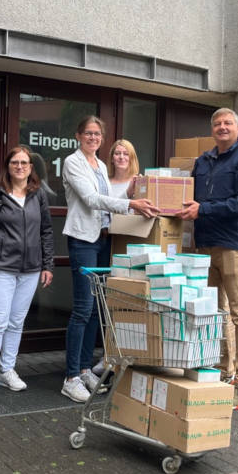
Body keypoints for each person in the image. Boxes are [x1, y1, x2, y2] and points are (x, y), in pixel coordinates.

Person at [61, 116, 160, 402]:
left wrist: (132, 198)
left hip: (103, 238)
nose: (93, 138)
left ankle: (82, 369)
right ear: (79, 136)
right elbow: (91, 200)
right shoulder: (73, 162)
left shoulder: (102, 166)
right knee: (82, 309)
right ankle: (70, 377)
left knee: (95, 309)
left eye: (97, 134)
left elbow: (107, 201)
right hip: (83, 239)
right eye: (88, 133)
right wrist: (131, 203)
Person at [179, 107, 238, 410]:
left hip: (233, 246)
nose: (222, 127)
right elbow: (186, 196)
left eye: (228, 123)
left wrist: (203, 209)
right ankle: (223, 372)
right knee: (215, 314)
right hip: (205, 245)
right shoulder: (203, 162)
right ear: (212, 129)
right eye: (217, 123)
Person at [0, 146, 54, 399]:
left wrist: (47, 264)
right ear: (8, 167)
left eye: (24, 162)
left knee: (16, 323)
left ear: (31, 167)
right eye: (15, 162)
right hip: (2, 267)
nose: (20, 166)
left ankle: (7, 370)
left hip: (30, 270)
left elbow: (46, 231)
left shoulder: (38, 195)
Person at [91, 139, 141, 378]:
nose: (121, 157)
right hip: (104, 240)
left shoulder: (138, 182)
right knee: (103, 300)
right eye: (117, 153)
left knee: (121, 300)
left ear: (132, 158)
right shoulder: (104, 182)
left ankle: (114, 355)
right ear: (111, 158)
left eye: (125, 154)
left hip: (127, 244)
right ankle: (106, 354)